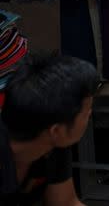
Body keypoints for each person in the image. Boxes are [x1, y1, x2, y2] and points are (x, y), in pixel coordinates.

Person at [1, 54, 98, 205]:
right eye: (86, 112)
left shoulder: (52, 145)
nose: (90, 115)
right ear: (57, 130)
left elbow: (65, 202)